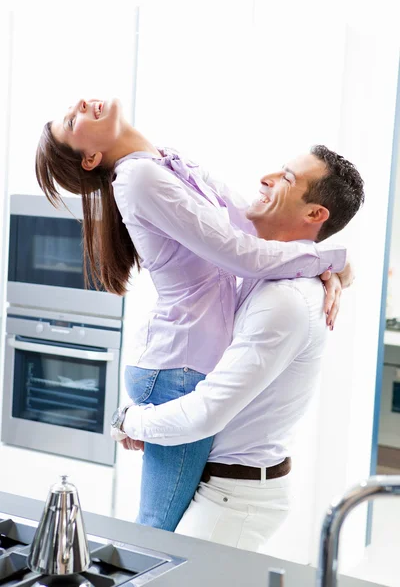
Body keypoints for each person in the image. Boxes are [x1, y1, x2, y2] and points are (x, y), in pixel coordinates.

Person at [35, 97, 346, 533]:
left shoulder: (161, 163)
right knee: (157, 531)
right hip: (179, 369)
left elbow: (248, 220)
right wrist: (326, 260)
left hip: (180, 363)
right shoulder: (140, 177)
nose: (81, 105)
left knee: (164, 531)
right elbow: (242, 254)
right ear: (90, 158)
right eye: (73, 120)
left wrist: (332, 265)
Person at [112, 145, 365, 551]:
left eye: (285, 178)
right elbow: (210, 194)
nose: (265, 179)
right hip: (212, 478)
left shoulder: (285, 301)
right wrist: (338, 267)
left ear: (315, 215)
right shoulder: (261, 263)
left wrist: (129, 422)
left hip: (232, 499)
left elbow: (205, 412)